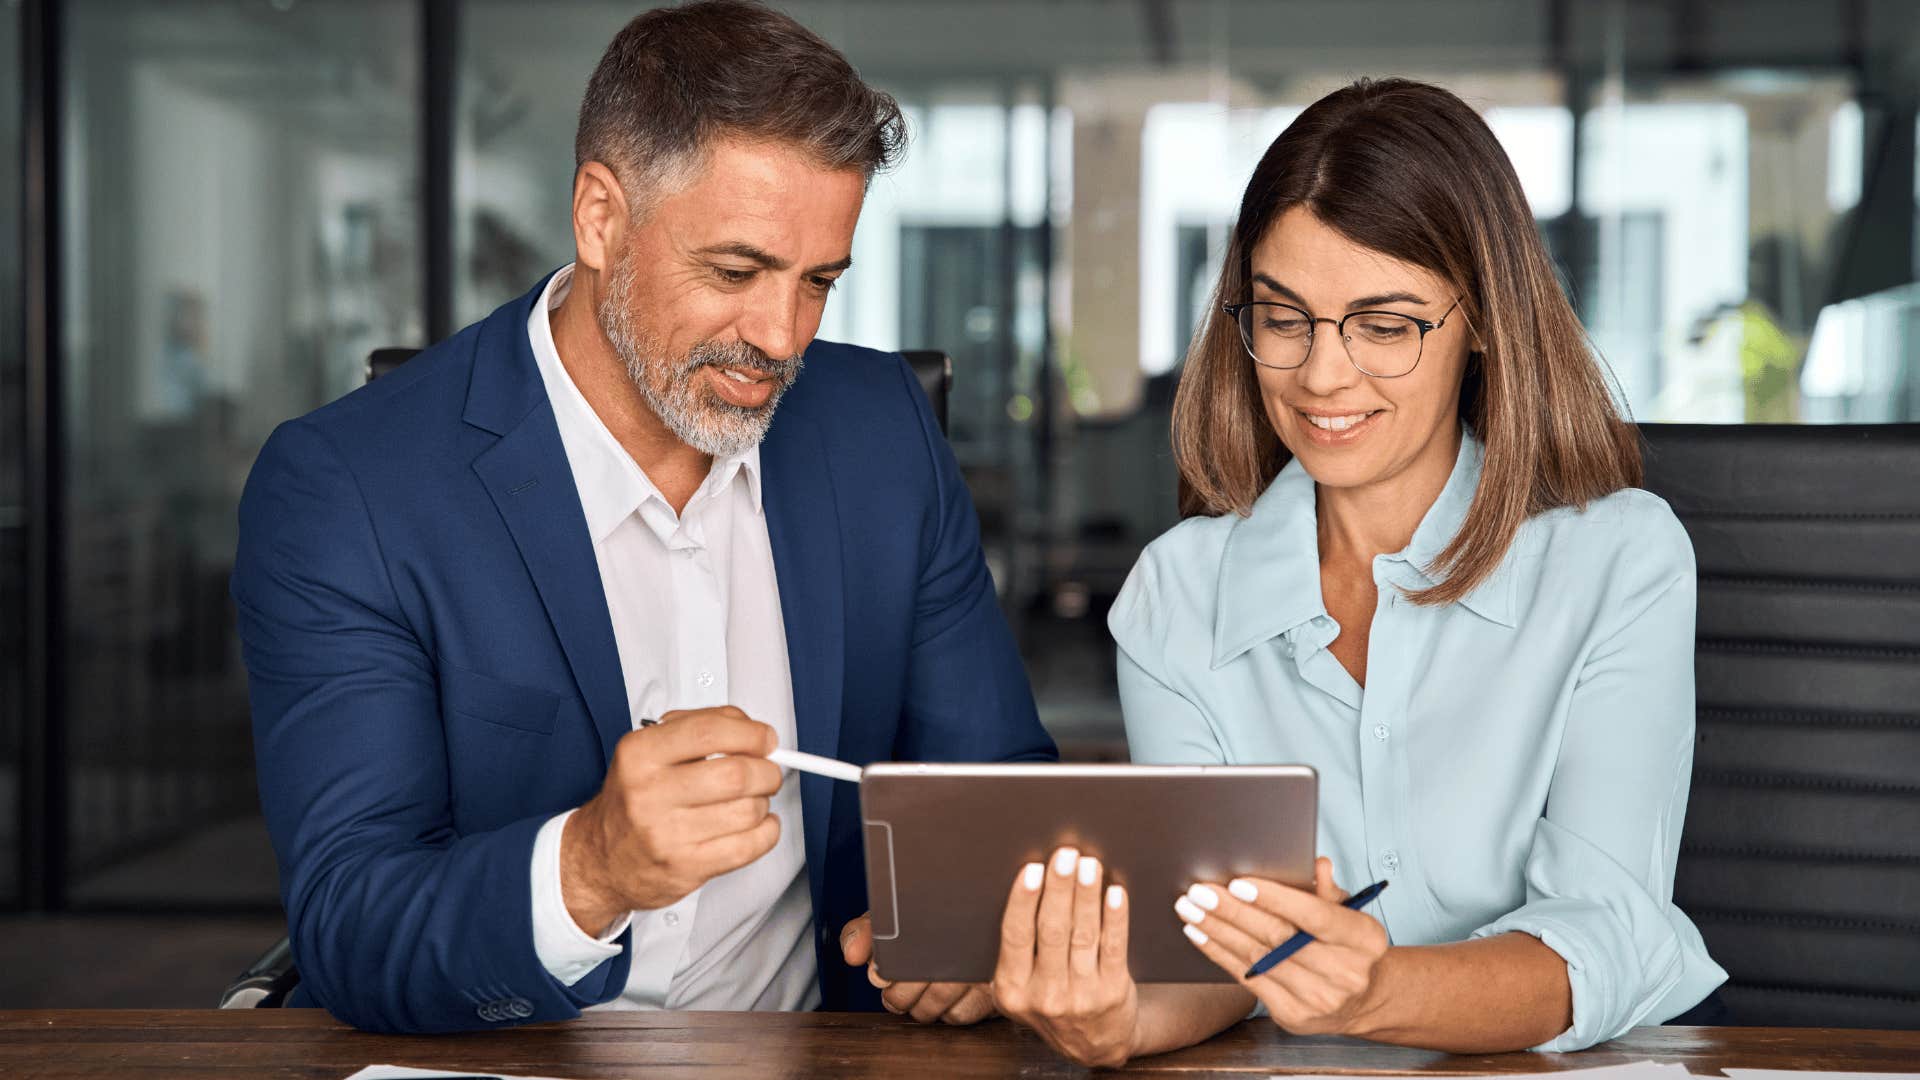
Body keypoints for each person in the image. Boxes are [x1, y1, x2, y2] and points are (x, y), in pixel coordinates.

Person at [232, 0, 1051, 1034]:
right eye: (737, 271)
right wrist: (589, 867)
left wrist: (977, 935)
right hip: (517, 1059)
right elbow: (352, 923)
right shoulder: (350, 488)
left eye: (820, 283)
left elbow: (998, 790)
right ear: (601, 218)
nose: (780, 335)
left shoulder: (880, 433)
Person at [990, 78, 1728, 1065]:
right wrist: (1115, 1020)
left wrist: (1377, 990)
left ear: (1482, 324)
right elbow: (1216, 966)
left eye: (1385, 325)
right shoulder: (1178, 596)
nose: (1324, 377)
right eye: (1284, 318)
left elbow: (1605, 934)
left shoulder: (1617, 562)